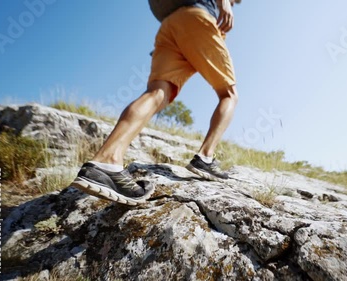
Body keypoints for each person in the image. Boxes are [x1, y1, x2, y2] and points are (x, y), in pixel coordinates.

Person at [70, 0, 241, 205]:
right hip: (197, 19)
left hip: (170, 26)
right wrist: (225, 3)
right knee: (229, 94)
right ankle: (205, 157)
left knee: (157, 92)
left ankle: (106, 161)